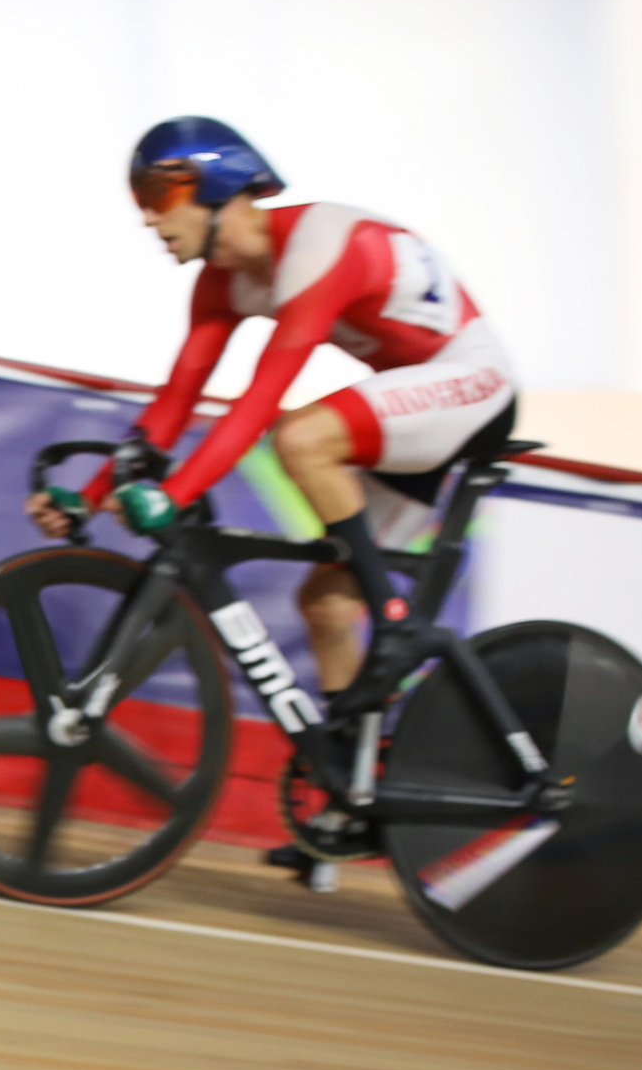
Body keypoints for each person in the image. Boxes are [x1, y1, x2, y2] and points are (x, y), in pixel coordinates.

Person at [30, 116, 516, 718]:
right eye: (139, 202)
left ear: (215, 187)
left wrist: (176, 494)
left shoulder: (320, 244)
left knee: (300, 436)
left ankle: (395, 623)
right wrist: (91, 493)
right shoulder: (220, 284)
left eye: (158, 195)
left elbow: (260, 400)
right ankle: (353, 782)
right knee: (327, 605)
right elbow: (175, 404)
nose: (147, 218)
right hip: (421, 409)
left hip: (475, 381)